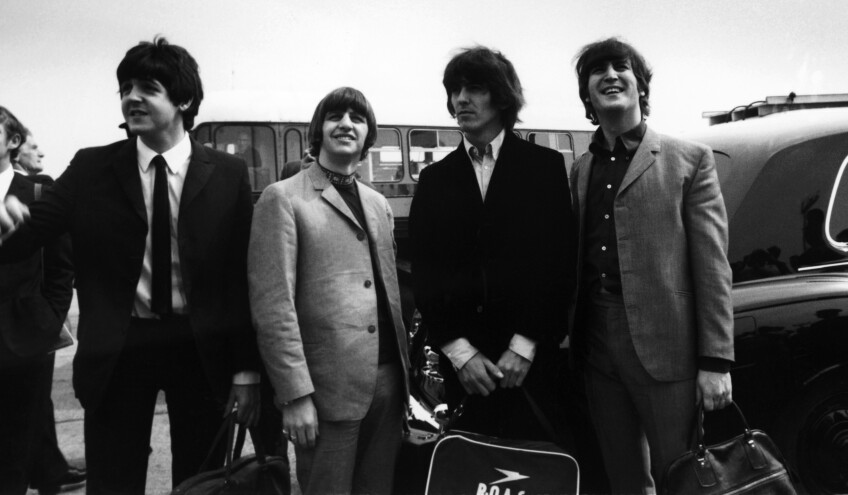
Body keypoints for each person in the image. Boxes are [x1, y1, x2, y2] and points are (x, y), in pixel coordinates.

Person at [0, 37, 261, 494]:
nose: (132, 97)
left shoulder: (227, 175)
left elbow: (238, 280)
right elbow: (27, 238)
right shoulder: (92, 168)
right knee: (113, 479)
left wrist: (246, 368)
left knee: (201, 480)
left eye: (148, 87)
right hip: (120, 348)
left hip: (199, 348)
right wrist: (2, 230)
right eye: (126, 87)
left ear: (184, 99)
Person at [570, 37, 734, 492]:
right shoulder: (581, 169)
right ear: (587, 93)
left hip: (668, 351)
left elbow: (713, 267)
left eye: (620, 66)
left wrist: (715, 362)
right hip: (597, 348)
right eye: (596, 70)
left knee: (681, 475)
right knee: (623, 477)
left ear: (640, 86)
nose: (609, 75)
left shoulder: (689, 160)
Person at [409, 46, 576, 441]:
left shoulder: (545, 168)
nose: (461, 99)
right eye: (455, 90)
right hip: (465, 372)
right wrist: (460, 353)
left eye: (475, 88)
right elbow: (426, 274)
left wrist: (525, 345)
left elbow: (558, 264)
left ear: (501, 96)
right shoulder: (434, 180)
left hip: (533, 367)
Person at [249, 87, 410, 495]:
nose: (346, 124)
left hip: (388, 385)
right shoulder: (283, 198)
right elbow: (273, 305)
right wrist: (294, 395)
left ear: (369, 133)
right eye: (334, 116)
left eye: (357, 118)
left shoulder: (378, 204)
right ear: (318, 131)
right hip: (325, 393)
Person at [0, 103, 73, 495]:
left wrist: (49, 321)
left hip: (23, 332)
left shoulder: (42, 194)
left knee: (8, 451)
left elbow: (62, 269)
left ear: (13, 141)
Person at [9, 127, 88, 494]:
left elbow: (61, 261)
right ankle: (45, 469)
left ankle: (46, 469)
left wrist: (53, 314)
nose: (40, 152)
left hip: (34, 316)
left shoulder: (41, 188)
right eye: (33, 146)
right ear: (13, 152)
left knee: (34, 398)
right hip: (8, 319)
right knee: (29, 401)